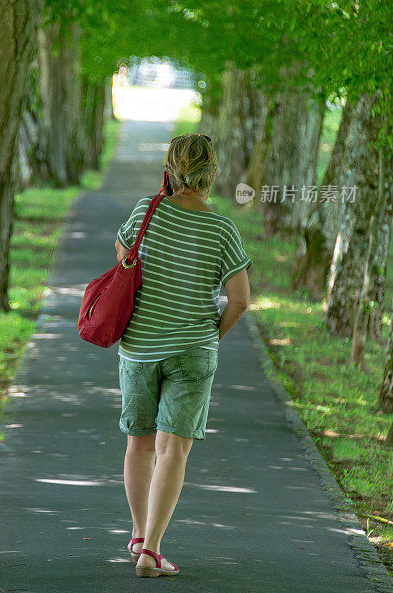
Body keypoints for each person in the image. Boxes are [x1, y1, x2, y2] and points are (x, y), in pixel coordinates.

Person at [114, 133, 252, 578]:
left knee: (140, 443)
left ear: (169, 169)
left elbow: (123, 260)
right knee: (174, 450)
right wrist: (212, 333)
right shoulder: (221, 227)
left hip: (140, 348)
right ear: (212, 171)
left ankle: (139, 535)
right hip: (193, 350)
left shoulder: (144, 212)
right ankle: (152, 550)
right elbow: (239, 299)